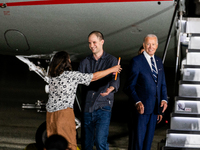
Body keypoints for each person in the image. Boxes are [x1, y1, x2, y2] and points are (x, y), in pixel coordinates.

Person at [46, 51, 121, 150]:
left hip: (50, 115)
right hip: (64, 113)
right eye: (68, 59)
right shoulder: (71, 76)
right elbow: (94, 77)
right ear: (66, 62)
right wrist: (112, 69)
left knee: (53, 145)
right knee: (69, 144)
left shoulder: (52, 77)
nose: (70, 61)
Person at [124, 34, 168, 150]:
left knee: (148, 144)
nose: (150, 47)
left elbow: (162, 83)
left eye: (153, 44)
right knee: (138, 143)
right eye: (148, 44)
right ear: (144, 45)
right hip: (141, 110)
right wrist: (137, 101)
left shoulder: (158, 61)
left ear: (157, 46)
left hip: (154, 110)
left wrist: (164, 100)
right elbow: (129, 86)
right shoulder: (137, 61)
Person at [78, 31, 120, 150]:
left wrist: (110, 89)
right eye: (89, 43)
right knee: (87, 144)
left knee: (101, 141)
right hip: (88, 106)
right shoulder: (84, 62)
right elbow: (81, 80)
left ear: (102, 42)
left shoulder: (112, 60)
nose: (92, 45)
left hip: (103, 106)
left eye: (94, 42)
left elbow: (115, 80)